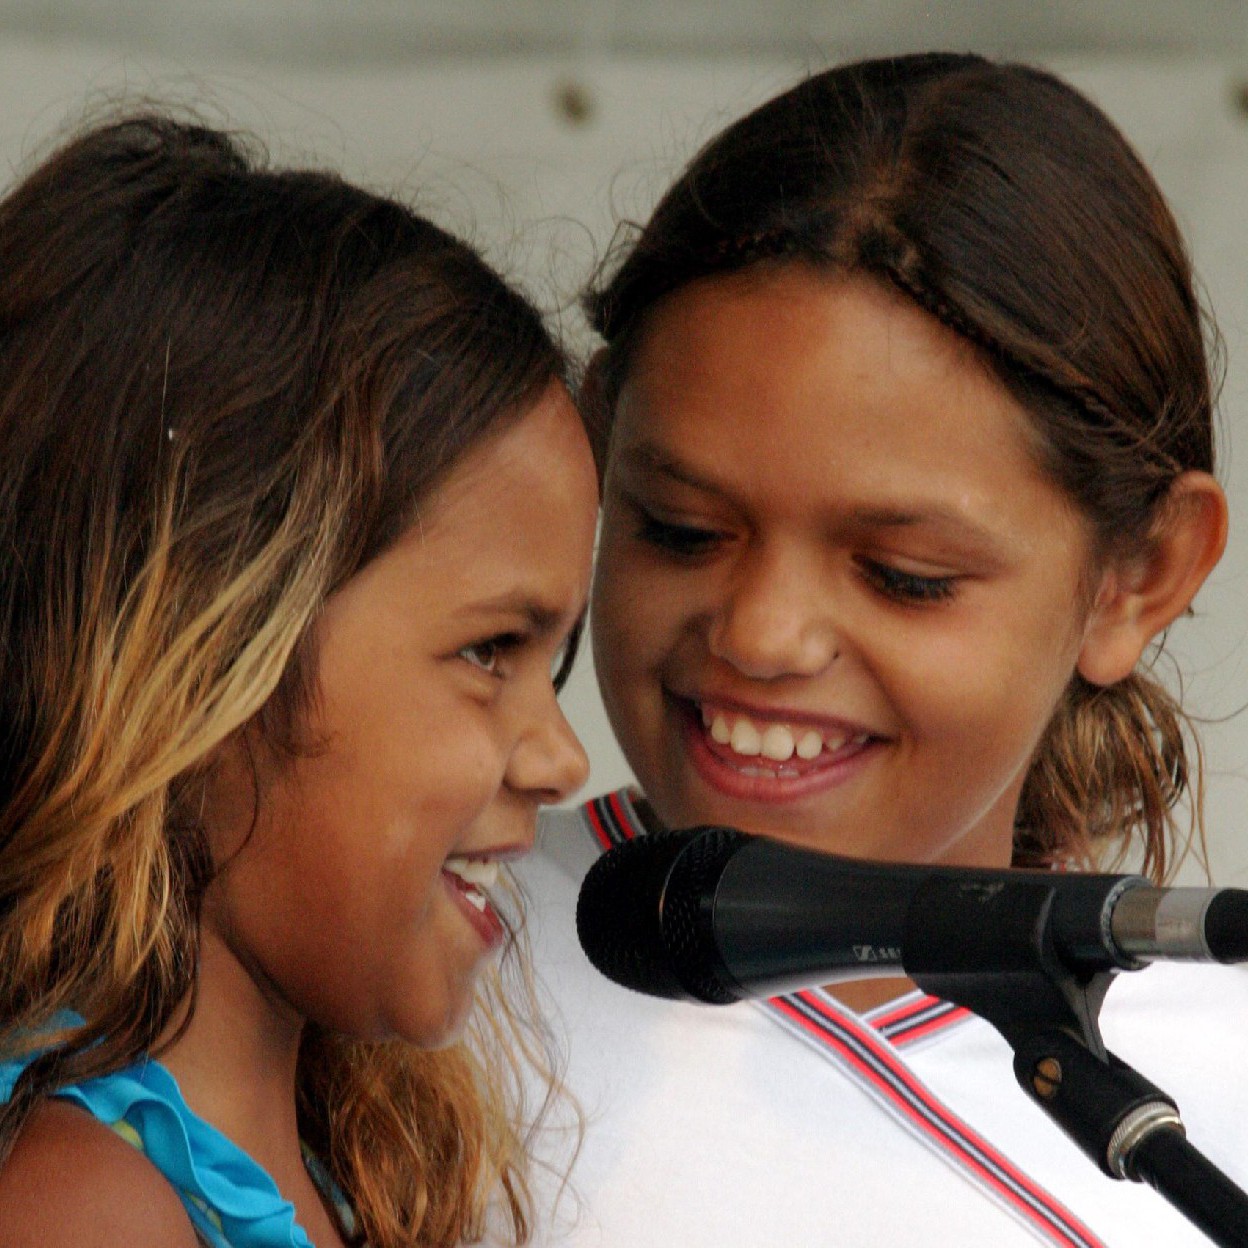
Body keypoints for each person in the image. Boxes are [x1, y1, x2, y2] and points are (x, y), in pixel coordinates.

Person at [519, 53, 1248, 1246]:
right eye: (681, 529)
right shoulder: (420, 965)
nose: (759, 634)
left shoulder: (1220, 1082)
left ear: (1140, 575)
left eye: (904, 576)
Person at [0, 113, 599, 1248]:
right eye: (489, 654)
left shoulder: (335, 1168)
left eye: (554, 660)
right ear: (208, 646)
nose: (563, 756)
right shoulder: (82, 1209)